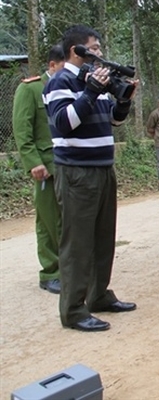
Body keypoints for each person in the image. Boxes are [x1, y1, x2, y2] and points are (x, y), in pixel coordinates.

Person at [43, 24, 138, 332]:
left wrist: (122, 100)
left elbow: (112, 120)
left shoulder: (90, 81)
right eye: (94, 48)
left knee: (102, 238)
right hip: (77, 172)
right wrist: (91, 92)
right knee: (78, 243)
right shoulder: (61, 81)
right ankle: (73, 311)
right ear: (77, 51)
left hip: (102, 168)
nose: (99, 53)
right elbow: (63, 123)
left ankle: (99, 296)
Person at [12, 45, 64, 295]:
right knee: (48, 220)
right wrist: (33, 162)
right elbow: (22, 131)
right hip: (46, 166)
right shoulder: (31, 89)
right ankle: (50, 272)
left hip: (68, 164)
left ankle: (67, 268)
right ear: (52, 65)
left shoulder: (69, 89)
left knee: (68, 219)